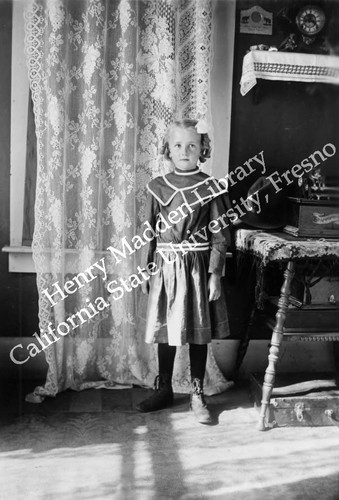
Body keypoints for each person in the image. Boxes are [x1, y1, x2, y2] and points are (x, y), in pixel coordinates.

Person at [136, 118, 230, 424]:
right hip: (165, 268)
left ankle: (197, 393)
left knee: (199, 332)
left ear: (202, 148)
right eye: (178, 145)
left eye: (192, 145)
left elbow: (220, 235)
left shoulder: (211, 188)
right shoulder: (157, 187)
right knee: (167, 329)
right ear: (168, 149)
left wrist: (215, 273)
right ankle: (164, 389)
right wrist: (147, 269)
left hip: (198, 269)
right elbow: (147, 232)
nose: (185, 151)